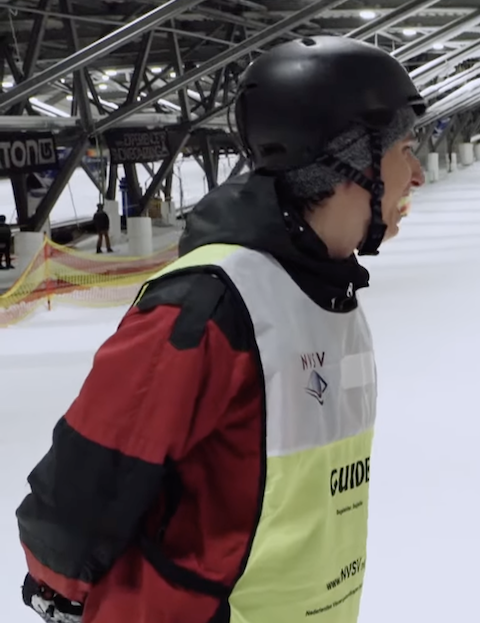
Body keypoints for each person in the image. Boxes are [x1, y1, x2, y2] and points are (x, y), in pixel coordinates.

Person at [15, 35, 425, 623]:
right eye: (404, 150)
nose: (415, 174)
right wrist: (59, 583)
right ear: (346, 160)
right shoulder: (209, 305)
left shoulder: (332, 295)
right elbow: (88, 482)